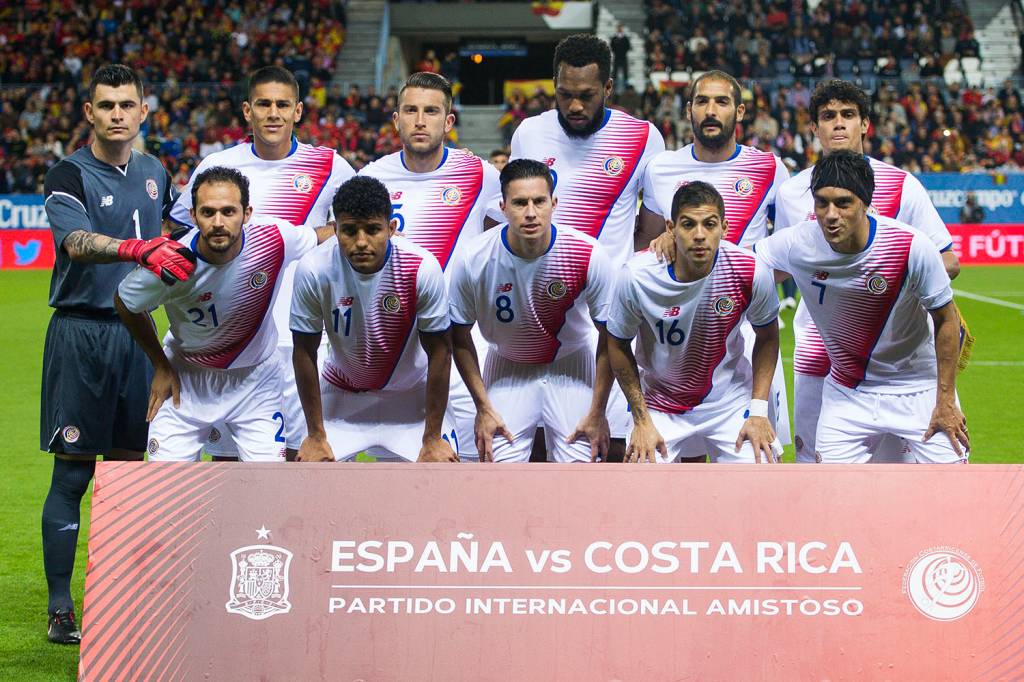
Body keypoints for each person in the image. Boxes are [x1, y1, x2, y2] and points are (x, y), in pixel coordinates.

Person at [39, 64, 195, 644]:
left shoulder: (155, 171)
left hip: (139, 335)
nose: (117, 115)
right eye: (106, 105)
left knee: (130, 474)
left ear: (143, 111)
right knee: (73, 473)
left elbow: (181, 234)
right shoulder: (67, 172)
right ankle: (60, 608)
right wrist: (136, 249)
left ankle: (124, 602)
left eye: (126, 105)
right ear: (90, 112)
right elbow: (76, 244)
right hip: (81, 336)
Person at [170, 66, 355, 461]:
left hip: (305, 336)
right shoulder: (218, 166)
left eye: (282, 104)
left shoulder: (331, 166)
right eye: (264, 104)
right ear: (247, 110)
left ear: (299, 111)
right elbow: (182, 235)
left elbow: (355, 226)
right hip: (233, 341)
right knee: (227, 462)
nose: (273, 113)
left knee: (299, 457)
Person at [773, 79, 961, 463]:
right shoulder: (792, 192)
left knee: (899, 472)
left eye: (848, 115)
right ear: (814, 128)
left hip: (895, 352)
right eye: (828, 117)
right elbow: (777, 264)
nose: (838, 124)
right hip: (817, 348)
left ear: (865, 125)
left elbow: (947, 260)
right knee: (818, 473)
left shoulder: (900, 184)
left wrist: (887, 284)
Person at [510, 33, 665, 456]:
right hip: (541, 309)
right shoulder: (529, 134)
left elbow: (650, 230)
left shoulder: (643, 137)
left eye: (586, 95)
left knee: (610, 443)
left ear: (608, 90)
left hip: (608, 320)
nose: (574, 106)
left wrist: (618, 282)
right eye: (564, 94)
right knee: (539, 444)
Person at [116, 167, 334, 461]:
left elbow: (321, 235)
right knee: (165, 488)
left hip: (255, 381)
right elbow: (125, 301)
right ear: (193, 216)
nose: (218, 222)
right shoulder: (172, 261)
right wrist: (160, 364)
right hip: (185, 380)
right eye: (208, 212)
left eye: (229, 212)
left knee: (268, 487)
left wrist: (363, 227)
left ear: (247, 213)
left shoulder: (275, 239)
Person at [638, 70, 791, 459]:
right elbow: (646, 247)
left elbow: (791, 253)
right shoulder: (660, 169)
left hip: (747, 325)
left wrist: (745, 284)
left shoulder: (770, 169)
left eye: (721, 102)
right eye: (702, 102)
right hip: (679, 320)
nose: (711, 111)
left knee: (756, 450)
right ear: (688, 110)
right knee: (682, 448)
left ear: (739, 111)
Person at [359, 72, 503, 462]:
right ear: (396, 119)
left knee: (478, 459)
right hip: (395, 344)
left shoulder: (482, 176)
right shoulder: (371, 178)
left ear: (449, 121)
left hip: (460, 345)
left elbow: (505, 245)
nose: (420, 120)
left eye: (431, 111)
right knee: (398, 464)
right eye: (411, 110)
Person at [448, 159, 614, 462]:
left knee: (581, 468)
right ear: (502, 206)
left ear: (554, 203)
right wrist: (483, 407)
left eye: (539, 201)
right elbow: (458, 336)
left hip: (572, 365)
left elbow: (611, 337)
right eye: (519, 203)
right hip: (506, 367)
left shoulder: (586, 253)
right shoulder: (473, 258)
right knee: (498, 472)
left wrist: (598, 410)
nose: (530, 213)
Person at [609, 181, 781, 463]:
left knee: (760, 478)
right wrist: (641, 420)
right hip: (659, 404)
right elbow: (617, 344)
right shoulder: (637, 275)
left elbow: (768, 337)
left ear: (724, 228)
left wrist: (759, 411)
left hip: (729, 402)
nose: (699, 235)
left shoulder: (749, 270)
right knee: (639, 489)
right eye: (688, 225)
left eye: (709, 224)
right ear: (670, 228)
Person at [290, 176, 457, 462]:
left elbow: (440, 352)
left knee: (441, 479)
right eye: (350, 231)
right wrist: (316, 435)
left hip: (412, 398)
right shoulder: (314, 268)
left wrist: (432, 437)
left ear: (391, 228)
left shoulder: (421, 267)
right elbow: (304, 351)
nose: (361, 242)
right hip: (341, 396)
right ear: (335, 229)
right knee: (307, 477)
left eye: (372, 230)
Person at [610, 24, 631, 90]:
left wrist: (623, 51)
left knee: (625, 73)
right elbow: (612, 46)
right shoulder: (614, 38)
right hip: (617, 57)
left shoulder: (625, 38)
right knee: (615, 72)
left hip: (623, 57)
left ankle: (626, 86)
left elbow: (628, 47)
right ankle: (613, 86)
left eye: (621, 28)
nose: (620, 29)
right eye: (619, 28)